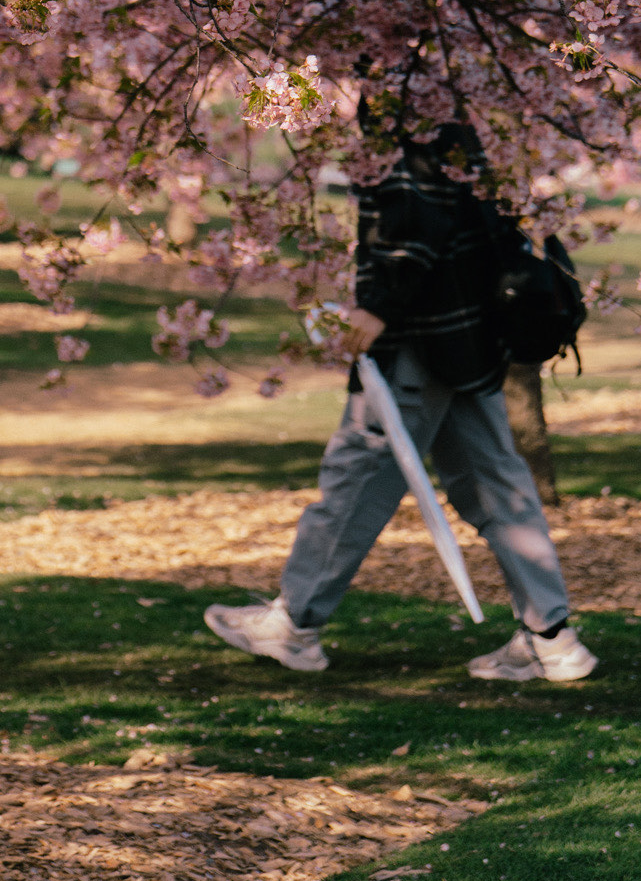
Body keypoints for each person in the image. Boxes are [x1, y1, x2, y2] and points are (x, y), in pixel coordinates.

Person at [204, 125, 595, 684]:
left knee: (359, 473)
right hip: (471, 338)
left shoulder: (409, 104)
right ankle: (553, 641)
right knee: (495, 484)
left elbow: (418, 217)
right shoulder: (454, 106)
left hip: (422, 337)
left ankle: (293, 627)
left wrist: (380, 303)